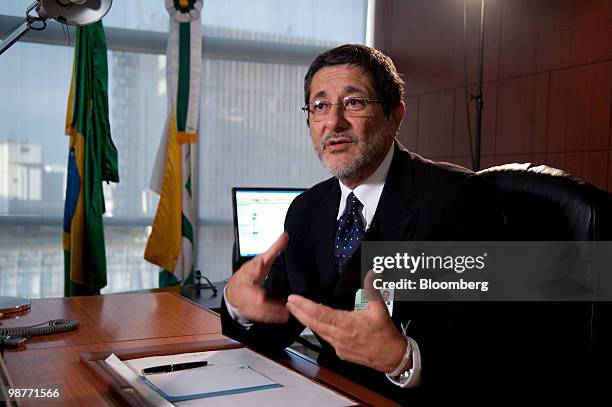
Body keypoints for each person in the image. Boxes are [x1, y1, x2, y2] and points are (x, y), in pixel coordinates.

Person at [221, 44, 504, 403]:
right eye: (320, 106)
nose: (333, 122)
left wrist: (403, 359)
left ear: (395, 114)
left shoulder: (458, 199)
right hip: (325, 393)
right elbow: (274, 326)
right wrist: (237, 302)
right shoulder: (306, 209)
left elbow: (486, 350)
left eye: (354, 103)